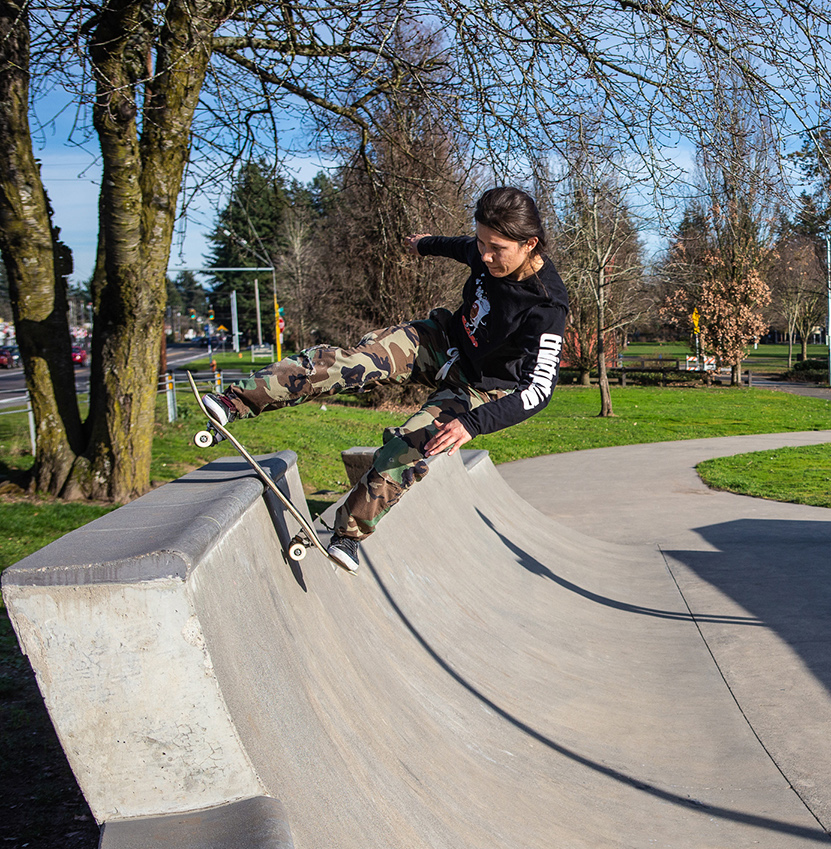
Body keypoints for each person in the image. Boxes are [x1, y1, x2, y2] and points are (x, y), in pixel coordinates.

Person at [201, 186, 568, 573]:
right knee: (353, 363)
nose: (486, 256)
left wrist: (473, 423)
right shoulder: (481, 251)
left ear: (529, 244)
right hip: (441, 342)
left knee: (412, 447)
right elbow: (457, 246)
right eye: (481, 243)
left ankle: (348, 534)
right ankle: (235, 401)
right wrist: (424, 244)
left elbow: (539, 390)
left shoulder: (547, 307)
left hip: (479, 389)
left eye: (497, 248)